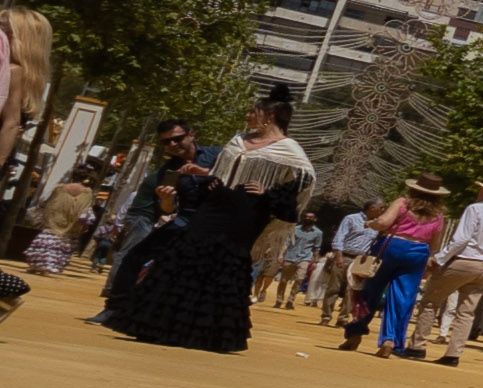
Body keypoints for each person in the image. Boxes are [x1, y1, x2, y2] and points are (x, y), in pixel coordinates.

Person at [111, 90, 312, 352]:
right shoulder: (239, 140)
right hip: (215, 203)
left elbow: (302, 184)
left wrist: (268, 194)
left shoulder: (290, 149)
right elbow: (224, 172)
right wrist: (206, 173)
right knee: (185, 253)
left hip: (246, 211)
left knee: (225, 263)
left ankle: (209, 334)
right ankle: (158, 324)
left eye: (253, 111)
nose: (248, 115)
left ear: (269, 115)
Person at [96, 121, 203, 325]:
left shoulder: (212, 156)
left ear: (191, 134)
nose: (172, 144)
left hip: (192, 220)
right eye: (166, 142)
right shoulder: (170, 170)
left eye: (177, 138)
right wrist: (167, 201)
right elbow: (167, 208)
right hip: (145, 216)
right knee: (131, 257)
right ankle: (114, 307)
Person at [418, 174, 483, 365]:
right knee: (466, 313)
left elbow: (461, 239)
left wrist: (440, 258)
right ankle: (453, 353)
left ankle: (417, 345)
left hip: (464, 260)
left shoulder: (475, 208)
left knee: (430, 301)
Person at [347, 178, 448, 355]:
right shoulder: (438, 215)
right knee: (403, 297)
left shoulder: (403, 203)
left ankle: (355, 333)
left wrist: (371, 224)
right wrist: (428, 262)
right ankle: (390, 339)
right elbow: (435, 244)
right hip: (418, 252)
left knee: (370, 290)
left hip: (391, 247)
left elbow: (384, 223)